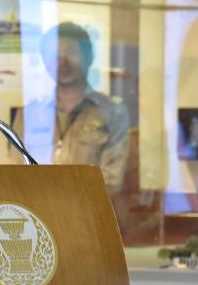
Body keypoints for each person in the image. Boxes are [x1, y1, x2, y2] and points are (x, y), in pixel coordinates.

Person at [10, 22, 129, 190]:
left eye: (71, 52)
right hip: (37, 206)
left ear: (89, 56)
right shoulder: (28, 115)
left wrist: (59, 195)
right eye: (54, 55)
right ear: (45, 62)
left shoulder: (113, 113)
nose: (63, 62)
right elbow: (15, 176)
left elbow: (112, 180)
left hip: (89, 206)